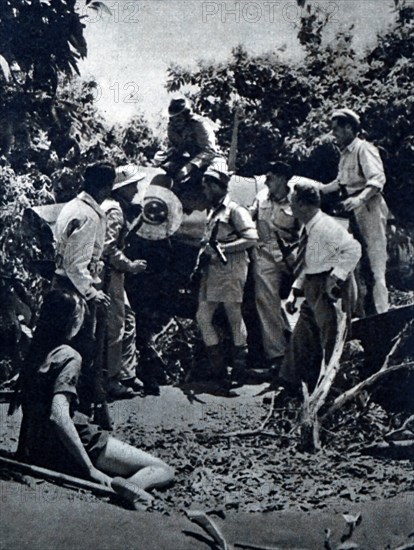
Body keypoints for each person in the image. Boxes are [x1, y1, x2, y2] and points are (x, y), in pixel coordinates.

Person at [17, 289, 174, 508]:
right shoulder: (69, 356)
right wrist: (90, 469)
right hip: (74, 442)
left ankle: (122, 485)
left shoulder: (36, 352)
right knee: (162, 469)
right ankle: (130, 487)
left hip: (40, 446)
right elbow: (59, 416)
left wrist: (25, 451)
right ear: (71, 322)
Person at [274, 182, 361, 396]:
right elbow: (311, 262)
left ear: (303, 205)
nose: (290, 209)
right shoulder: (310, 227)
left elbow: (353, 249)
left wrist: (335, 277)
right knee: (301, 337)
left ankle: (334, 391)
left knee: (332, 340)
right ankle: (291, 383)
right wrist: (296, 290)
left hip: (330, 289)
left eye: (292, 204)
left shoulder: (325, 226)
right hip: (314, 285)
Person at [321, 108, 389, 315]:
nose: (334, 134)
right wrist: (319, 188)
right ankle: (362, 314)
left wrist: (358, 199)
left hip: (369, 207)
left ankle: (381, 313)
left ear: (349, 127)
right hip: (351, 211)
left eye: (337, 129)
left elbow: (377, 180)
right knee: (354, 263)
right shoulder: (344, 154)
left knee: (375, 264)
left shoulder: (364, 149)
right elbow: (341, 182)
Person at [195, 165, 258, 386]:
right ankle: (218, 368)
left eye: (206, 186)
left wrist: (224, 247)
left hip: (231, 269)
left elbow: (251, 238)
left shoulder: (235, 211)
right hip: (211, 271)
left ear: (216, 186)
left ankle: (238, 369)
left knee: (234, 316)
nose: (204, 191)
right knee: (203, 318)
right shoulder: (213, 212)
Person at [101, 165, 148, 400]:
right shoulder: (114, 211)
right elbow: (107, 249)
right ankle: (111, 380)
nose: (136, 189)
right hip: (109, 275)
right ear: (124, 188)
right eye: (134, 186)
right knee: (116, 326)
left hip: (112, 275)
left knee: (128, 320)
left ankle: (126, 372)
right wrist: (130, 265)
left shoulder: (115, 208)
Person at [249, 162, 300, 372]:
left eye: (271, 177)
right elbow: (249, 218)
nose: (267, 180)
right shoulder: (261, 197)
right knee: (266, 302)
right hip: (264, 255)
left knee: (302, 301)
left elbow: (306, 229)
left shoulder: (297, 200)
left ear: (282, 178)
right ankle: (277, 356)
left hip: (292, 255)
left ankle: (304, 347)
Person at [154, 98, 223, 186]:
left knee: (211, 180)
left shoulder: (199, 125)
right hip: (190, 158)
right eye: (173, 119)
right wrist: (165, 155)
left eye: (179, 118)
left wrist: (190, 167)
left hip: (209, 161)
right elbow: (178, 148)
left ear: (186, 115)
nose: (176, 122)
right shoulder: (172, 128)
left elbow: (210, 151)